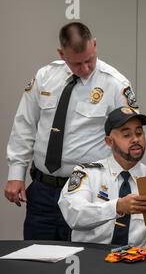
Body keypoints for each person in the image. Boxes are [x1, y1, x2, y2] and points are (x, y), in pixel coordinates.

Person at [5, 22, 139, 241]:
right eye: (77, 64)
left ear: (94, 44)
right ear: (61, 53)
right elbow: (25, 125)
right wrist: (15, 174)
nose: (85, 69)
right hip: (42, 190)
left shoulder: (116, 84)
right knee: (35, 262)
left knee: (84, 264)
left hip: (88, 192)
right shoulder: (45, 77)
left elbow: (130, 138)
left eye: (90, 60)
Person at [58, 107, 146, 246]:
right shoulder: (88, 174)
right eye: (126, 135)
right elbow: (74, 215)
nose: (135, 139)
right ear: (109, 141)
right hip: (92, 259)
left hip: (138, 263)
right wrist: (118, 207)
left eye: (139, 133)